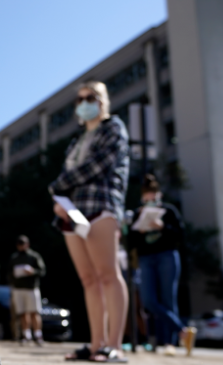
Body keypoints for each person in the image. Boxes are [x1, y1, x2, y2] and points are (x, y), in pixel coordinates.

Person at [49, 81, 130, 362]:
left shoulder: (113, 128)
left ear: (102, 100)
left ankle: (114, 346)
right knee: (88, 279)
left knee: (108, 274)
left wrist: (58, 186)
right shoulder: (76, 141)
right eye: (80, 99)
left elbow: (98, 165)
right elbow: (69, 179)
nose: (84, 102)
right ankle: (96, 345)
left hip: (100, 207)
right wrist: (59, 200)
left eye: (90, 97)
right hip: (72, 214)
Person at [127, 174, 197, 356]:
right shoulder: (137, 213)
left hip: (167, 255)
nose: (150, 202)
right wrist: (139, 231)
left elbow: (181, 235)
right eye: (147, 200)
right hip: (146, 258)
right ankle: (183, 331)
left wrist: (162, 227)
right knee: (149, 300)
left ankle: (169, 343)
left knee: (168, 300)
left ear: (159, 196)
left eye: (154, 199)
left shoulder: (169, 211)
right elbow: (130, 242)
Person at [9, 235, 46, 346]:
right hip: (18, 288)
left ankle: (38, 335)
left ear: (27, 244)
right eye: (19, 244)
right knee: (22, 313)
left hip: (31, 288)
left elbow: (42, 271)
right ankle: (26, 335)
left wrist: (33, 271)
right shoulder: (14, 258)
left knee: (34, 312)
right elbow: (9, 273)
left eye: (23, 244)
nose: (21, 246)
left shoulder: (34, 256)